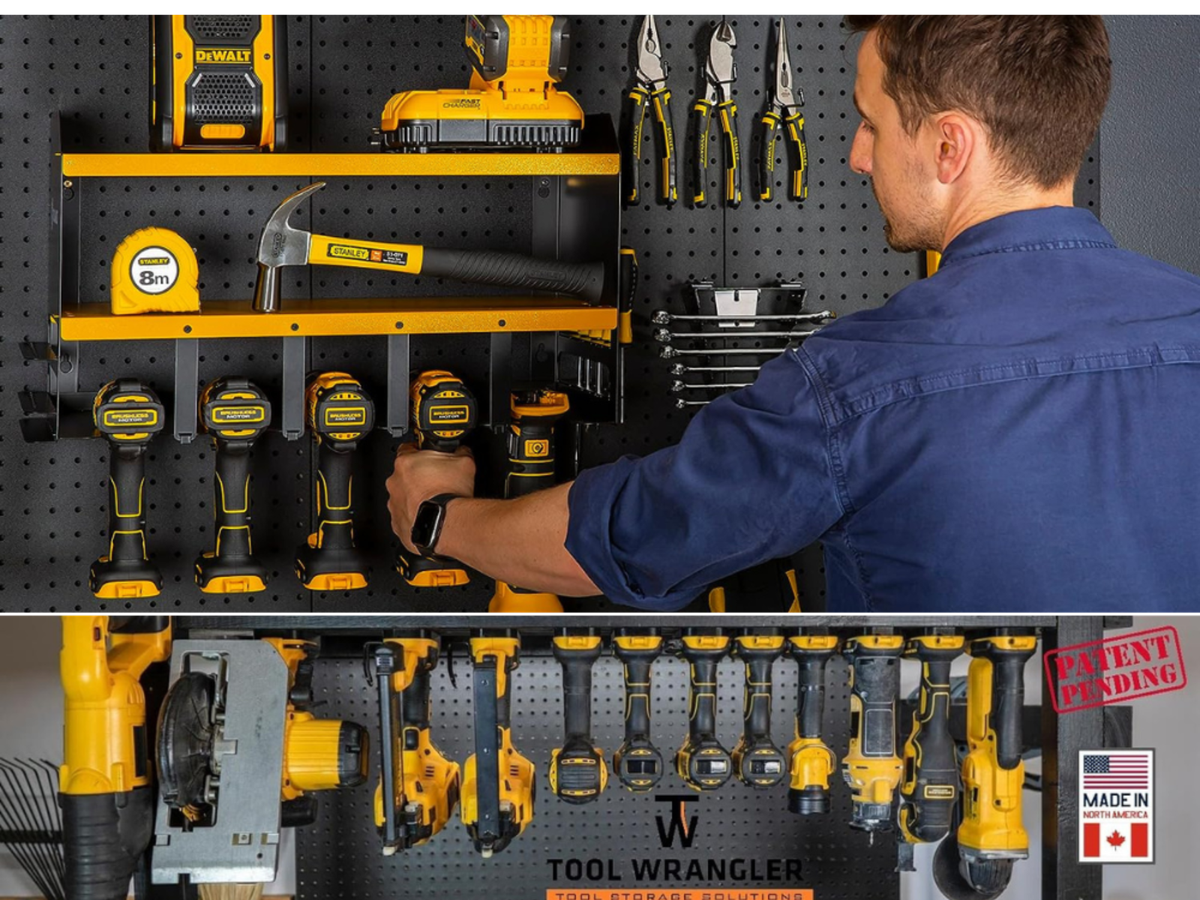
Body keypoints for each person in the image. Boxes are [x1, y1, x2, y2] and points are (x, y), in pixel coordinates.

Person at [388, 14, 1200, 613]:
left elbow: (620, 541)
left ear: (950, 149)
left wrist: (438, 520)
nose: (854, 153)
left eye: (871, 123)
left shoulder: (858, 385)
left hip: (941, 803)